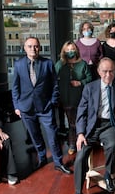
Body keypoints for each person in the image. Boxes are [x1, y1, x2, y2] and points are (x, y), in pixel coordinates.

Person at [68, 57, 115, 194]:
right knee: (80, 156)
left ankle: (108, 175)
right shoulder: (90, 87)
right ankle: (78, 193)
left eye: (111, 71)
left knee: (112, 144)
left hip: (110, 124)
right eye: (104, 71)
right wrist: (81, 133)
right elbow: (81, 113)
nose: (108, 75)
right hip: (92, 127)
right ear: (98, 72)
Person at [12, 37, 72, 174]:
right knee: (35, 135)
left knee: (52, 135)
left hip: (45, 107)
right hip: (26, 107)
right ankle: (42, 157)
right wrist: (17, 106)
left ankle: (58, 162)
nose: (33, 49)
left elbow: (55, 85)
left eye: (36, 46)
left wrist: (52, 102)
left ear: (39, 47)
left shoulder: (47, 63)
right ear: (25, 48)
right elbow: (15, 87)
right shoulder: (18, 65)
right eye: (30, 46)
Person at [55, 41, 92, 155]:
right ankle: (72, 143)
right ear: (64, 52)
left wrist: (80, 82)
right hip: (66, 98)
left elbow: (90, 78)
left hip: (80, 98)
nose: (70, 52)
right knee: (71, 122)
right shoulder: (60, 64)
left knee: (80, 120)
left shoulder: (83, 64)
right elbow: (54, 79)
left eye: (72, 49)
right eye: (67, 50)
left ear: (76, 50)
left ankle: (82, 142)